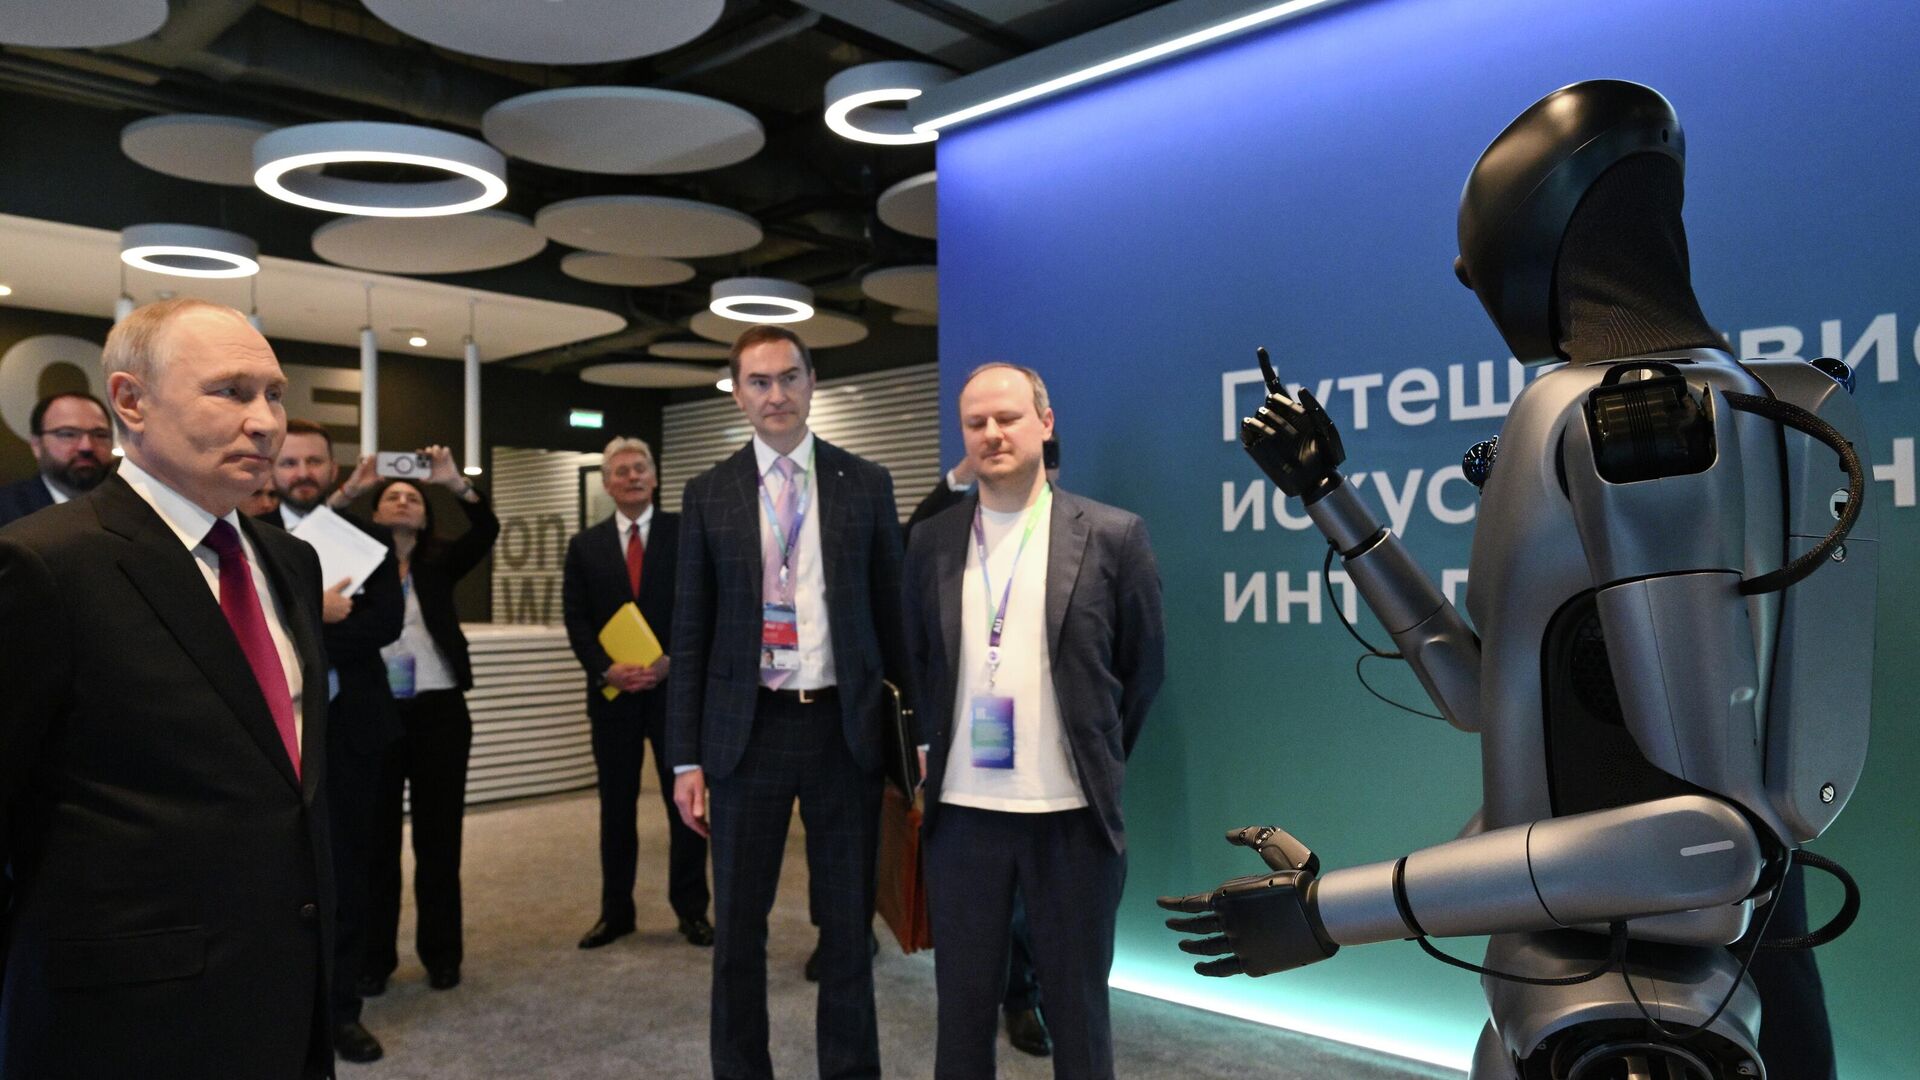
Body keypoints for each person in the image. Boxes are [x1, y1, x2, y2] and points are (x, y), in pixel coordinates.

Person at [0, 299, 333, 1077]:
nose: (265, 422)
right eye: (231, 392)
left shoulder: (290, 562)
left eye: (274, 395)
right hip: (124, 1019)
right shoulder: (45, 563)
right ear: (131, 401)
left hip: (286, 983)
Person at [903, 363, 1165, 1080]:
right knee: (962, 1020)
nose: (992, 433)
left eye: (1008, 418)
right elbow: (920, 660)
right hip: (962, 819)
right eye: (976, 422)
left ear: (1045, 424)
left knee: (1079, 1020)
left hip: (1071, 821)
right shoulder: (932, 542)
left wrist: (1093, 753)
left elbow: (1142, 671)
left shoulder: (1113, 535)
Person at [668, 324, 912, 1080]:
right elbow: (690, 633)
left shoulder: (864, 482)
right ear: (737, 394)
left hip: (844, 729)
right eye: (759, 381)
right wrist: (684, 758)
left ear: (811, 382)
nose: (776, 394)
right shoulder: (708, 493)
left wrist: (917, 736)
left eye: (788, 377)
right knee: (739, 933)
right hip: (747, 734)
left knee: (847, 932)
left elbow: (895, 618)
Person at [904, 447, 1055, 1059]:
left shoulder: (1080, 535)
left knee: (1032, 899)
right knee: (979, 898)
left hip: (1045, 758)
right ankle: (990, 1000)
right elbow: (910, 538)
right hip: (970, 751)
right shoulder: (957, 539)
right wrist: (959, 477)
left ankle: (1022, 999)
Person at [264, 418, 405, 1063]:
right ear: (273, 467)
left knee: (350, 870)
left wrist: (303, 632)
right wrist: (314, 611)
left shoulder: (367, 538)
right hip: (275, 730)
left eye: (314, 462)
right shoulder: (247, 537)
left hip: (354, 729)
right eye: (290, 462)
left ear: (333, 468)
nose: (302, 474)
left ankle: (342, 1012)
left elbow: (383, 625)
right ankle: (284, 1009)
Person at [562, 436, 712, 950]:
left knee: (686, 805)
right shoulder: (585, 546)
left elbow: (704, 604)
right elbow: (576, 620)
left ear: (655, 477)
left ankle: (692, 910)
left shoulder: (686, 533)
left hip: (676, 693)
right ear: (606, 484)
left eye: (640, 468)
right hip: (615, 697)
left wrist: (673, 661)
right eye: (621, 471)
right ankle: (616, 913)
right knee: (616, 807)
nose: (632, 477)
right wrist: (607, 670)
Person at [361, 447, 499, 994]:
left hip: (439, 711)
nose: (403, 501)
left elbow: (487, 529)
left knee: (439, 841)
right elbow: (308, 529)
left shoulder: (440, 562)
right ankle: (374, 959)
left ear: (425, 516)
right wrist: (352, 487)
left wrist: (454, 482)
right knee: (375, 844)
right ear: (375, 513)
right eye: (392, 495)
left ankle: (442, 954)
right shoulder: (354, 560)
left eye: (413, 498)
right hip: (375, 711)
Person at [0, 391, 115, 526]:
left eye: (100, 435)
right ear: (36, 445)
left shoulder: (127, 505)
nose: (87, 446)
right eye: (68, 434)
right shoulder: (6, 512)